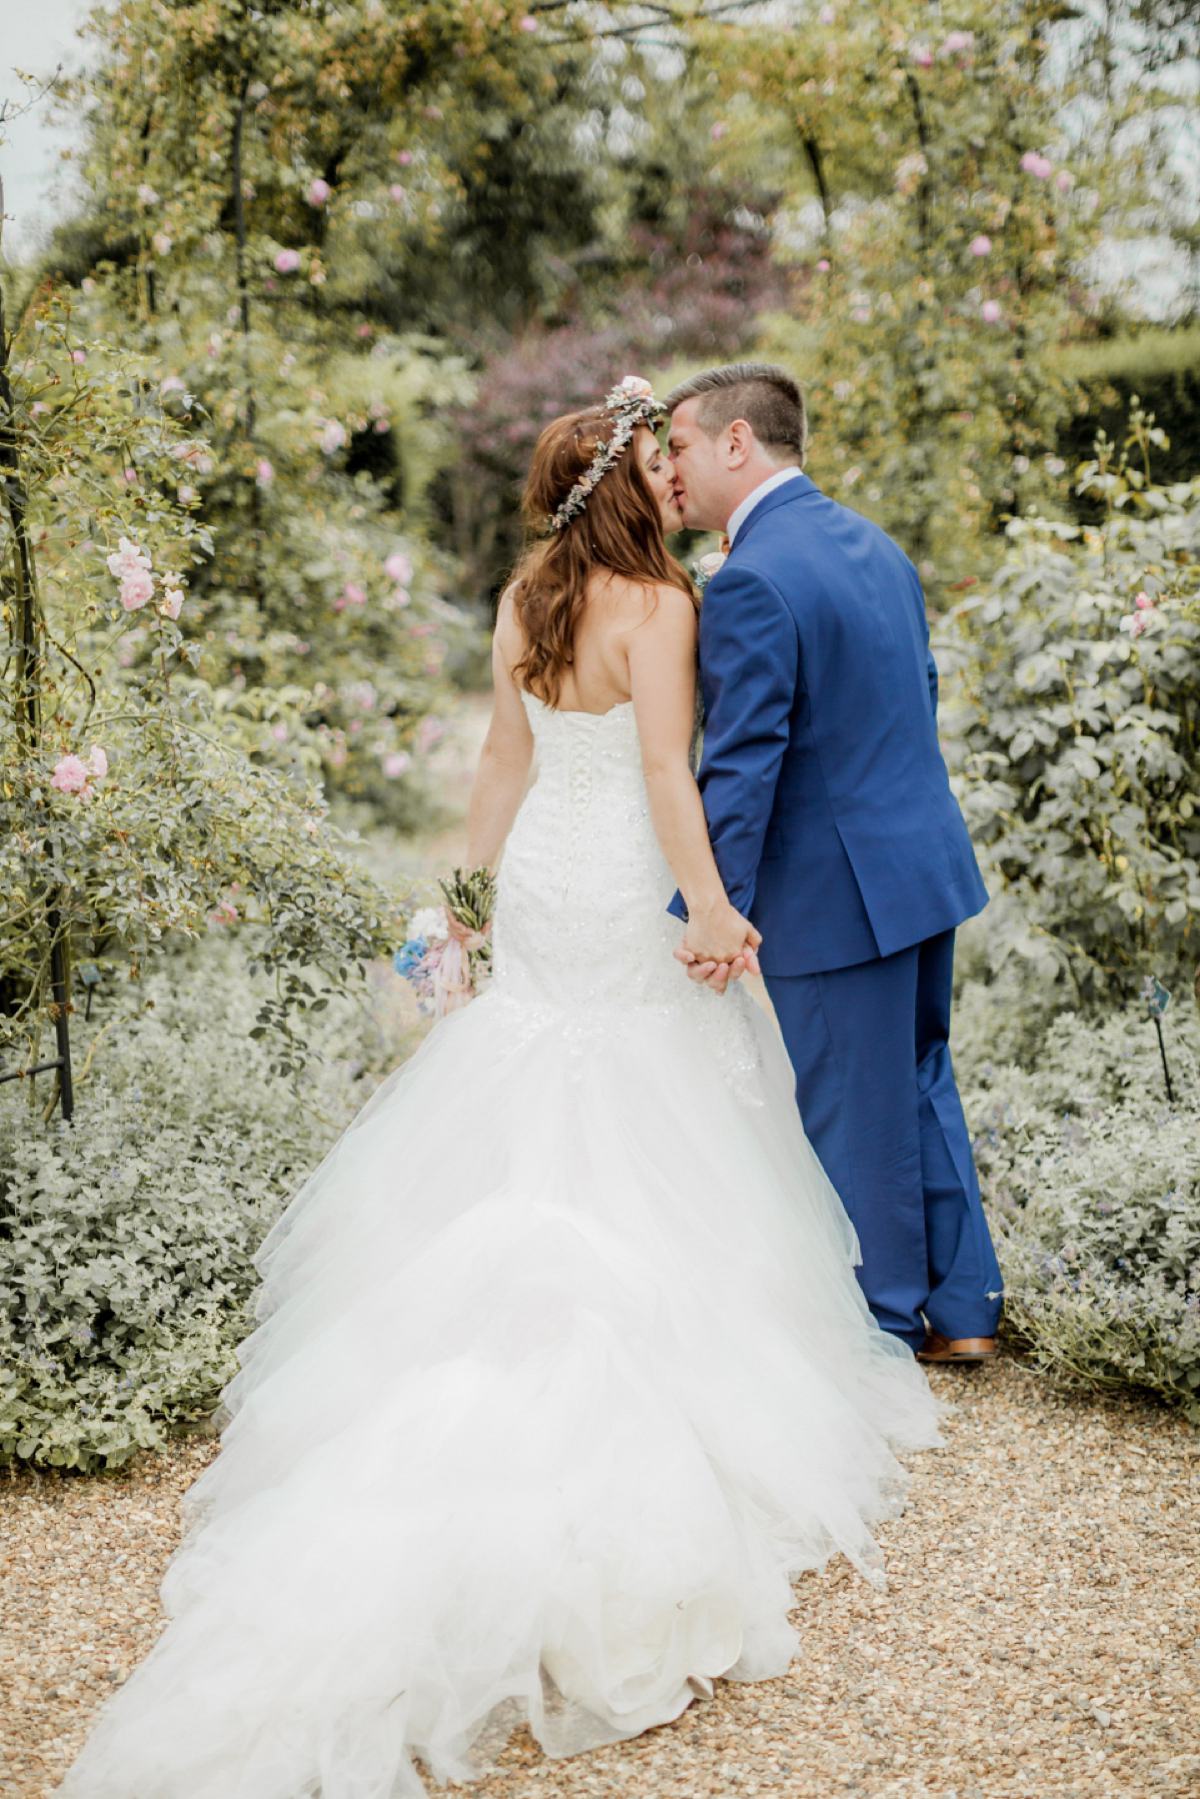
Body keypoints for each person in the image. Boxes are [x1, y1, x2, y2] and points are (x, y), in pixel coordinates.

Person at [60, 377, 938, 1799]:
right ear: (628, 491)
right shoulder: (663, 610)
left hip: (536, 885)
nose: (670, 484)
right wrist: (710, 907)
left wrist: (462, 906)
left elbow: (500, 757)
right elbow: (668, 770)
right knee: (646, 1078)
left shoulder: (525, 600)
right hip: (616, 881)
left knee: (534, 1054)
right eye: (654, 468)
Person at [664, 361, 1003, 1364]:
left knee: (854, 1105)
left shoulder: (754, 577)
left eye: (680, 445)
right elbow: (919, 693)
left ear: (738, 442)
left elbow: (742, 763)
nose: (671, 469)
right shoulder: (876, 545)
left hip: (838, 886)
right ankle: (968, 1306)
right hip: (919, 862)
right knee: (918, 1075)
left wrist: (708, 905)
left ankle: (885, 1323)